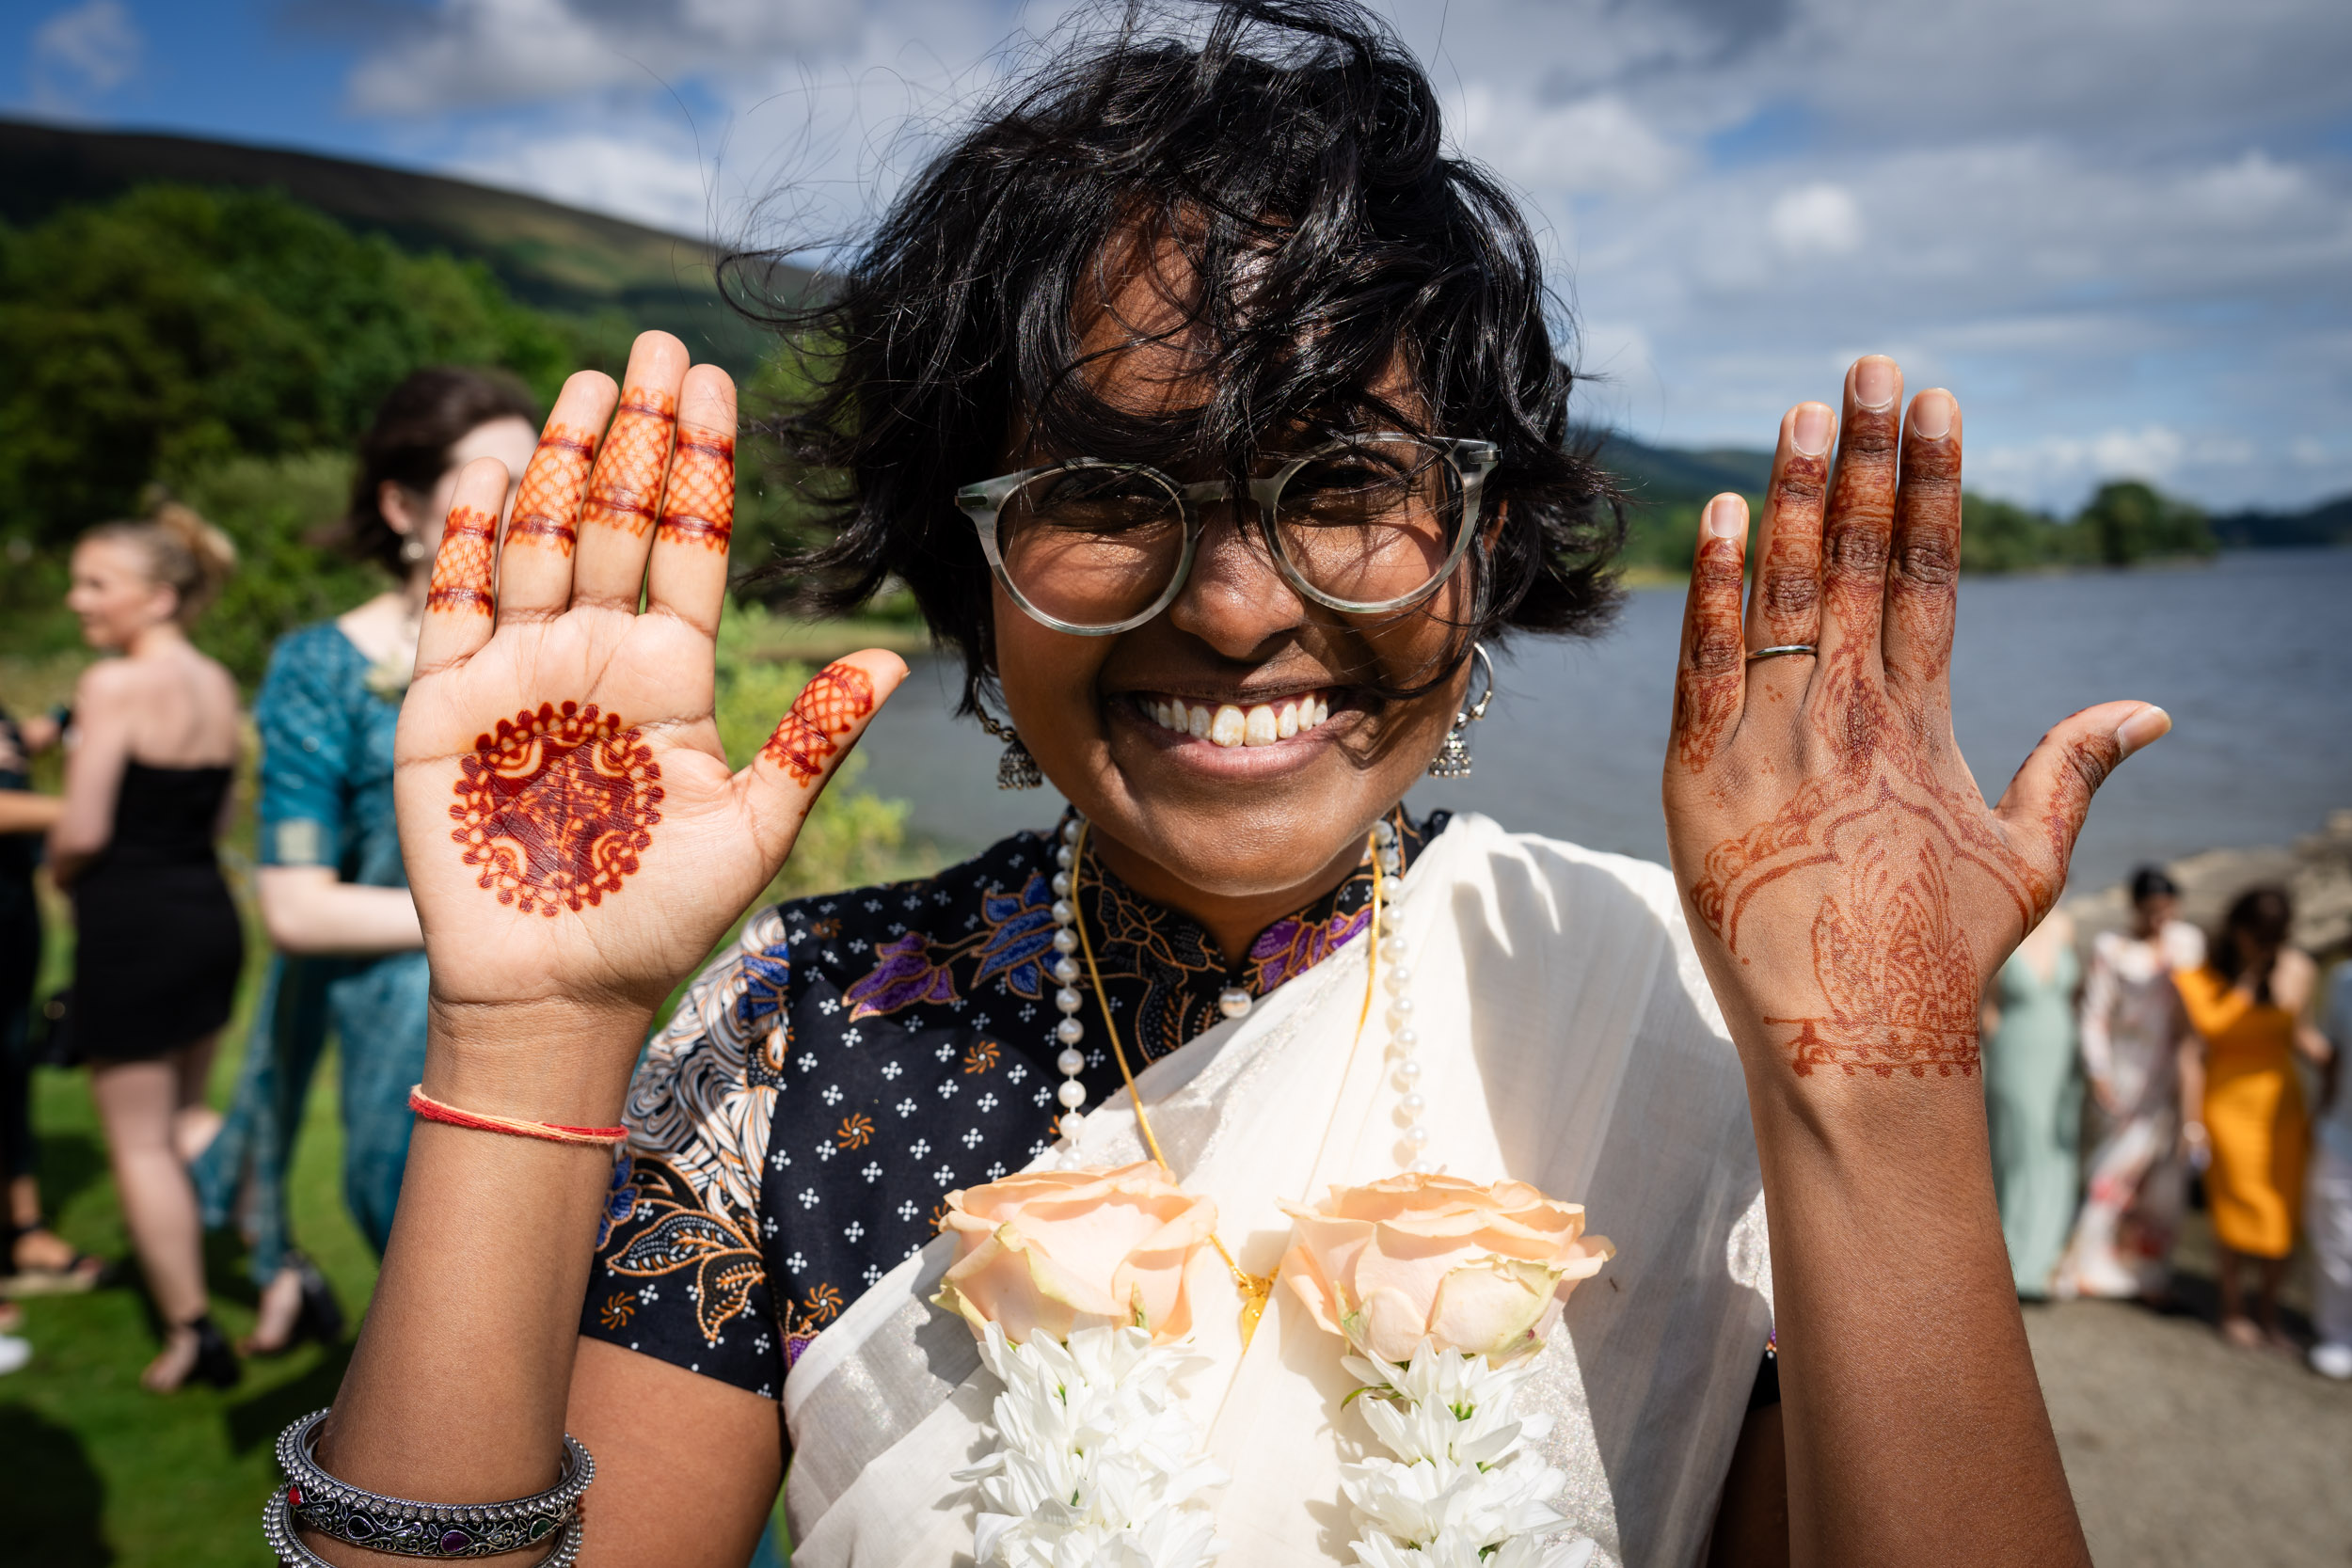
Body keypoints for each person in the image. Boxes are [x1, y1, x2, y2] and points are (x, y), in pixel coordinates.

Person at [286, 8, 2170, 1565]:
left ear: (1476, 538)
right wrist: (530, 1039)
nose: (1237, 603)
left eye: (1342, 484)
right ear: (975, 581)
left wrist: (1882, 1090)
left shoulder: (1688, 1006)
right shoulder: (801, 1038)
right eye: (1108, 494)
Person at [191, 368, 538, 1354]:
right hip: (411, 1037)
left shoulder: (560, 660)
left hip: (572, 1035)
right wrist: (496, 917)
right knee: (457, 1340)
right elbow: (296, 907)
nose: (529, 517)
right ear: (402, 506)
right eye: (494, 490)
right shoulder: (323, 671)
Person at [48, 499, 245, 1392]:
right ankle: (278, 1262)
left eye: (96, 583)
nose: (76, 600)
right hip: (206, 909)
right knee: (189, 1118)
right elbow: (218, 813)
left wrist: (57, 871)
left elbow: (84, 826)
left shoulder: (113, 684)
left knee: (138, 1141)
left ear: (159, 597)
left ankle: (191, 1330)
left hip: (131, 922)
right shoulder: (216, 682)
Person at [2177, 886, 2326, 1351]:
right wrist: (2192, 1122)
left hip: (2282, 1106)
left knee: (2284, 1209)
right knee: (2238, 1206)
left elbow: (2302, 1036)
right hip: (2227, 1105)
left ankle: (2269, 1313)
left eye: (2276, 936)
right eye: (2259, 936)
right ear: (2238, 930)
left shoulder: (2299, 968)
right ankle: (2234, 1309)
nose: (2268, 945)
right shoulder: (2207, 975)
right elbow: (2196, 1048)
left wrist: (2338, 1062)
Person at [2055, 866, 2203, 1301]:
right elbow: (2094, 1015)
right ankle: (2084, 1262)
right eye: (2151, 909)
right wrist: (2098, 1072)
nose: (2160, 917)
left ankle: (2145, 1270)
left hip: (2169, 1072)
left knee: (2161, 1178)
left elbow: (2199, 1010)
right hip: (2123, 1068)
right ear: (2136, 907)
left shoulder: (2188, 943)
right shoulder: (2112, 947)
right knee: (2111, 1170)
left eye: (2167, 908)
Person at [2, 706, 107, 1302]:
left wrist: (66, 717)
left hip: (14, 916)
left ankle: (25, 1231)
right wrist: (85, 812)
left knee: (11, 1073)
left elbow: (25, 741)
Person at [1980, 907, 2081, 1298]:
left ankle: (2042, 1260)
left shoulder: (2065, 926)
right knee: (2017, 1148)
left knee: (2056, 1149)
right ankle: (2011, 1259)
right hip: (2015, 1052)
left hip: (2062, 1054)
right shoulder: (1999, 922)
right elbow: (1986, 1001)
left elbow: (2079, 997)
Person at [2310, 958, 2352, 1379]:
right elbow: (2334, 1056)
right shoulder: (2343, 980)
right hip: (2341, 1131)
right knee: (2336, 1241)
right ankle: (2338, 1333)